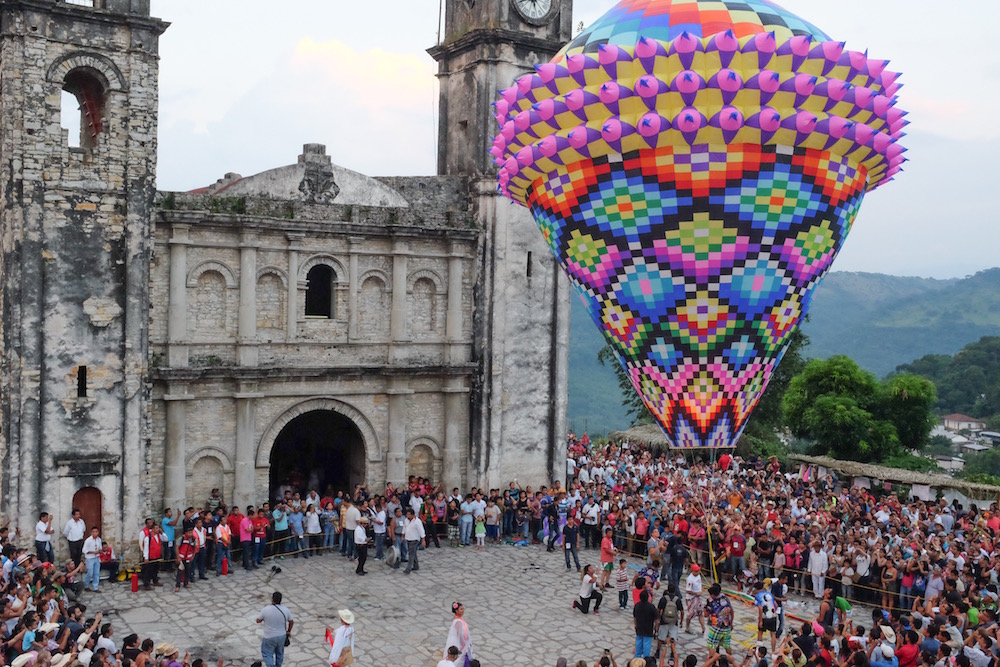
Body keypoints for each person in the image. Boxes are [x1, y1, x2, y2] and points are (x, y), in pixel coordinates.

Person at [257, 591, 293, 667]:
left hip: (269, 636)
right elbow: (291, 621)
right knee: (279, 653)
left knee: (267, 653)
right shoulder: (286, 610)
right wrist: (288, 631)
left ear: (272, 599)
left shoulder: (266, 609)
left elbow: (258, 620)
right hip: (281, 636)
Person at [705, 583, 734, 663]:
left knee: (711, 644)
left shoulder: (711, 601)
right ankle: (730, 660)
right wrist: (731, 623)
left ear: (712, 594)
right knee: (727, 644)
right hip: (727, 625)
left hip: (716, 627)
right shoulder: (725, 598)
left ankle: (713, 661)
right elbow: (731, 611)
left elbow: (706, 614)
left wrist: (705, 608)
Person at [657, 583, 684, 660]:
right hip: (674, 622)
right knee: (673, 638)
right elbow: (682, 612)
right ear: (675, 590)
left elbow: (658, 609)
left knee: (661, 637)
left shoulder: (663, 599)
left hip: (664, 620)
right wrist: (681, 621)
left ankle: (658, 651)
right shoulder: (677, 600)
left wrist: (658, 618)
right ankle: (672, 653)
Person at [633, 589, 658, 659]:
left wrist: (635, 625)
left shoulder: (637, 605)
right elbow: (656, 619)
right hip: (648, 629)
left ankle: (636, 658)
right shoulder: (651, 606)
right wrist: (656, 628)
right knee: (647, 644)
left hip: (639, 627)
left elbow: (634, 617)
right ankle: (646, 659)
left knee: (638, 643)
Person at [403, 507, 425, 575]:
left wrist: (423, 540)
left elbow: (421, 530)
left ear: (412, 515)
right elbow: (404, 528)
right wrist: (403, 535)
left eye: (409, 514)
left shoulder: (417, 521)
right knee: (413, 552)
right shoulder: (406, 520)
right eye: (407, 514)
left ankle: (408, 568)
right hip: (408, 538)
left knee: (411, 553)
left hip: (414, 539)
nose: (408, 516)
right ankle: (416, 565)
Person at [685, 564, 705, 635]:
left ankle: (703, 627)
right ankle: (687, 627)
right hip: (691, 598)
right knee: (690, 614)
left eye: (698, 570)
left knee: (700, 612)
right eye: (696, 571)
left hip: (698, 598)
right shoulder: (690, 579)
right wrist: (696, 593)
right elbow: (688, 590)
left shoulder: (698, 576)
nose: (698, 572)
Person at [81, 527, 102, 593]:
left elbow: (100, 548)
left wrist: (100, 551)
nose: (95, 533)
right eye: (93, 532)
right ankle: (86, 585)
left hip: (97, 558)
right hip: (90, 558)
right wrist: (93, 552)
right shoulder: (88, 540)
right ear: (91, 533)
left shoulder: (99, 540)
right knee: (90, 573)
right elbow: (84, 550)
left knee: (96, 573)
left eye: (96, 532)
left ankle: (95, 587)